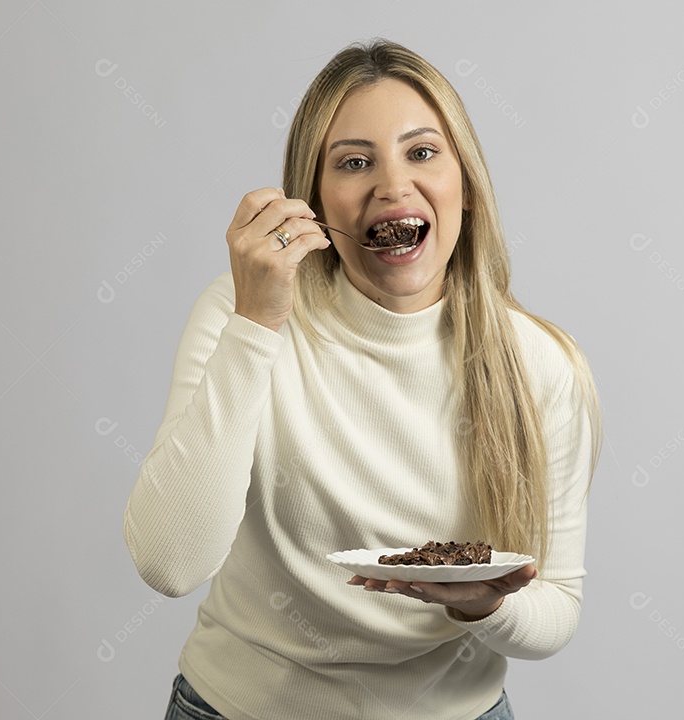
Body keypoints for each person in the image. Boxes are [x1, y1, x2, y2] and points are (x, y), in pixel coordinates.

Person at [123, 38, 601, 720]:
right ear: (314, 202)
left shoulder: (540, 364)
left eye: (423, 152)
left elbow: (555, 611)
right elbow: (170, 563)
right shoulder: (242, 316)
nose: (392, 185)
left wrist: (485, 604)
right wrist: (256, 320)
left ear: (465, 187)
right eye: (354, 162)